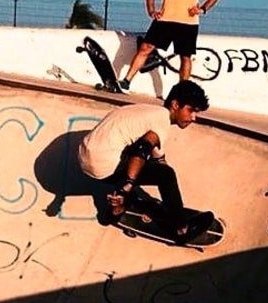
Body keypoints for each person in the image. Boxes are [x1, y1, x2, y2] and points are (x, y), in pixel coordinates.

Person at [78, 80, 210, 242]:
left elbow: (159, 159)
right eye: (190, 110)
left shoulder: (147, 112)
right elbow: (141, 149)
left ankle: (115, 210)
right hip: (105, 165)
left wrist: (169, 191)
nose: (193, 118)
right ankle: (180, 227)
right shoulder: (161, 120)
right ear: (175, 105)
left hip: (85, 159)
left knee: (155, 169)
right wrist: (127, 184)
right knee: (166, 174)